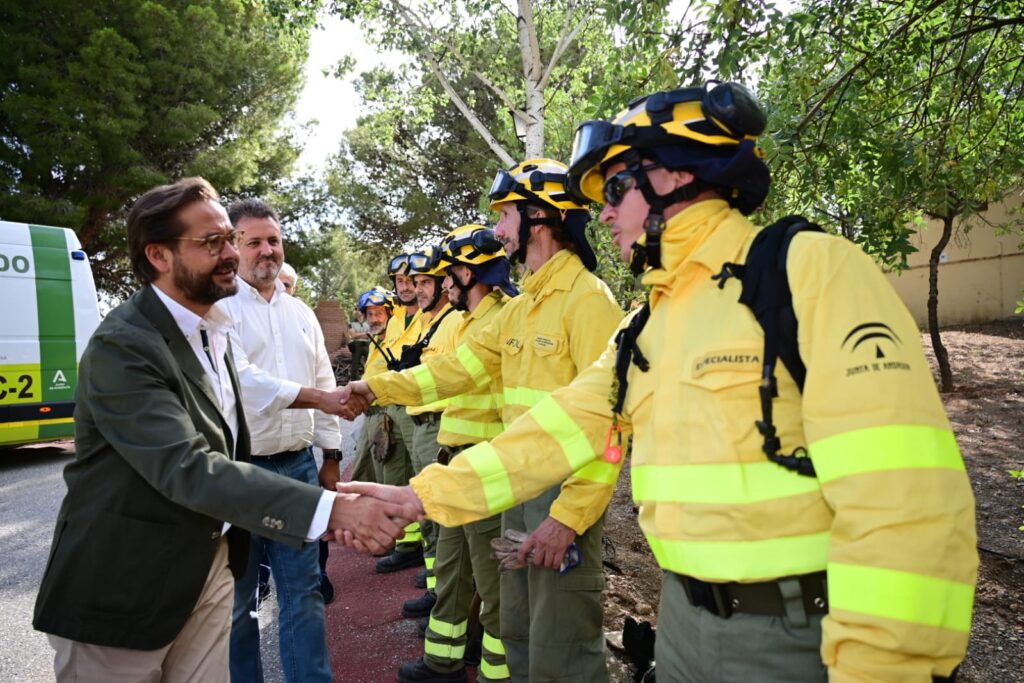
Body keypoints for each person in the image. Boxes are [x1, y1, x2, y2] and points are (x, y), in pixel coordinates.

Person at [342, 83, 979, 682]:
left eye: (616, 188)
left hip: (797, 635)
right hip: (681, 624)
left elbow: (906, 502)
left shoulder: (809, 272)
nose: (604, 213)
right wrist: (423, 498)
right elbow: (557, 431)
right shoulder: (648, 323)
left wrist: (886, 666)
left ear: (676, 174)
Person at [31, 177, 415, 682]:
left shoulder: (212, 330)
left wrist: (328, 457)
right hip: (125, 589)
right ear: (159, 256)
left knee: (299, 599)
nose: (231, 254)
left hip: (208, 564)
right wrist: (336, 508)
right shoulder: (124, 345)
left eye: (230, 241)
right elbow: (187, 468)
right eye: (213, 242)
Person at [342, 159, 624, 682]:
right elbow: (454, 372)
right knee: (515, 629)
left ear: (539, 216)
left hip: (562, 500)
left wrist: (570, 517)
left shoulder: (589, 301)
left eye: (505, 216)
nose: (497, 231)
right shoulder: (520, 309)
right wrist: (375, 387)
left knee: (562, 646)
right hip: (514, 492)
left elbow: (612, 427)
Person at [219, 198, 341, 683]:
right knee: (238, 603)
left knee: (304, 593)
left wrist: (331, 456)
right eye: (254, 242)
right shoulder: (218, 311)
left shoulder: (302, 314)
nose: (266, 251)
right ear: (233, 247)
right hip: (239, 472)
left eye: (273, 240)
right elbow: (241, 382)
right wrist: (313, 397)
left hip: (299, 469)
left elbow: (326, 381)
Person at [397, 224, 517, 683]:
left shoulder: (504, 318)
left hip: (487, 466)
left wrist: (374, 389)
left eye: (450, 274)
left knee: (492, 585)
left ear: (471, 273)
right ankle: (443, 661)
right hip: (456, 461)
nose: (445, 284)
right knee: (449, 571)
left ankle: (495, 674)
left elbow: (451, 377)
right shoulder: (467, 321)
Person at [398, 245, 466, 621]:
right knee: (429, 517)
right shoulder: (427, 322)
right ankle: (436, 589)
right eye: (416, 281)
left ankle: (444, 598)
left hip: (442, 427)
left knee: (442, 520)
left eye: (426, 281)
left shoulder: (456, 322)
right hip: (422, 427)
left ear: (445, 282)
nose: (419, 288)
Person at [374, 252, 427, 575]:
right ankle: (407, 543)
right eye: (401, 281)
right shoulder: (394, 320)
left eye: (412, 280)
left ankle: (422, 547)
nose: (406, 287)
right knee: (395, 473)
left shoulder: (428, 315)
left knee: (420, 477)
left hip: (417, 404)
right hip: (390, 403)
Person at [349, 286, 396, 485]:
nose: (375, 319)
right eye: (370, 314)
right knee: (361, 474)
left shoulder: (397, 342)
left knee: (387, 477)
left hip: (386, 418)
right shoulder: (374, 343)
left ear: (390, 314)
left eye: (379, 313)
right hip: (369, 417)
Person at [348, 308, 372, 379]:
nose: (358, 312)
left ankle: (369, 379)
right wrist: (365, 334)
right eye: (356, 310)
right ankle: (355, 381)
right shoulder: (351, 324)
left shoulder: (368, 323)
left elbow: (371, 335)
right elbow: (353, 335)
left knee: (370, 363)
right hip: (356, 345)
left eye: (359, 310)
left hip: (367, 344)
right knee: (355, 365)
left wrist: (358, 334)